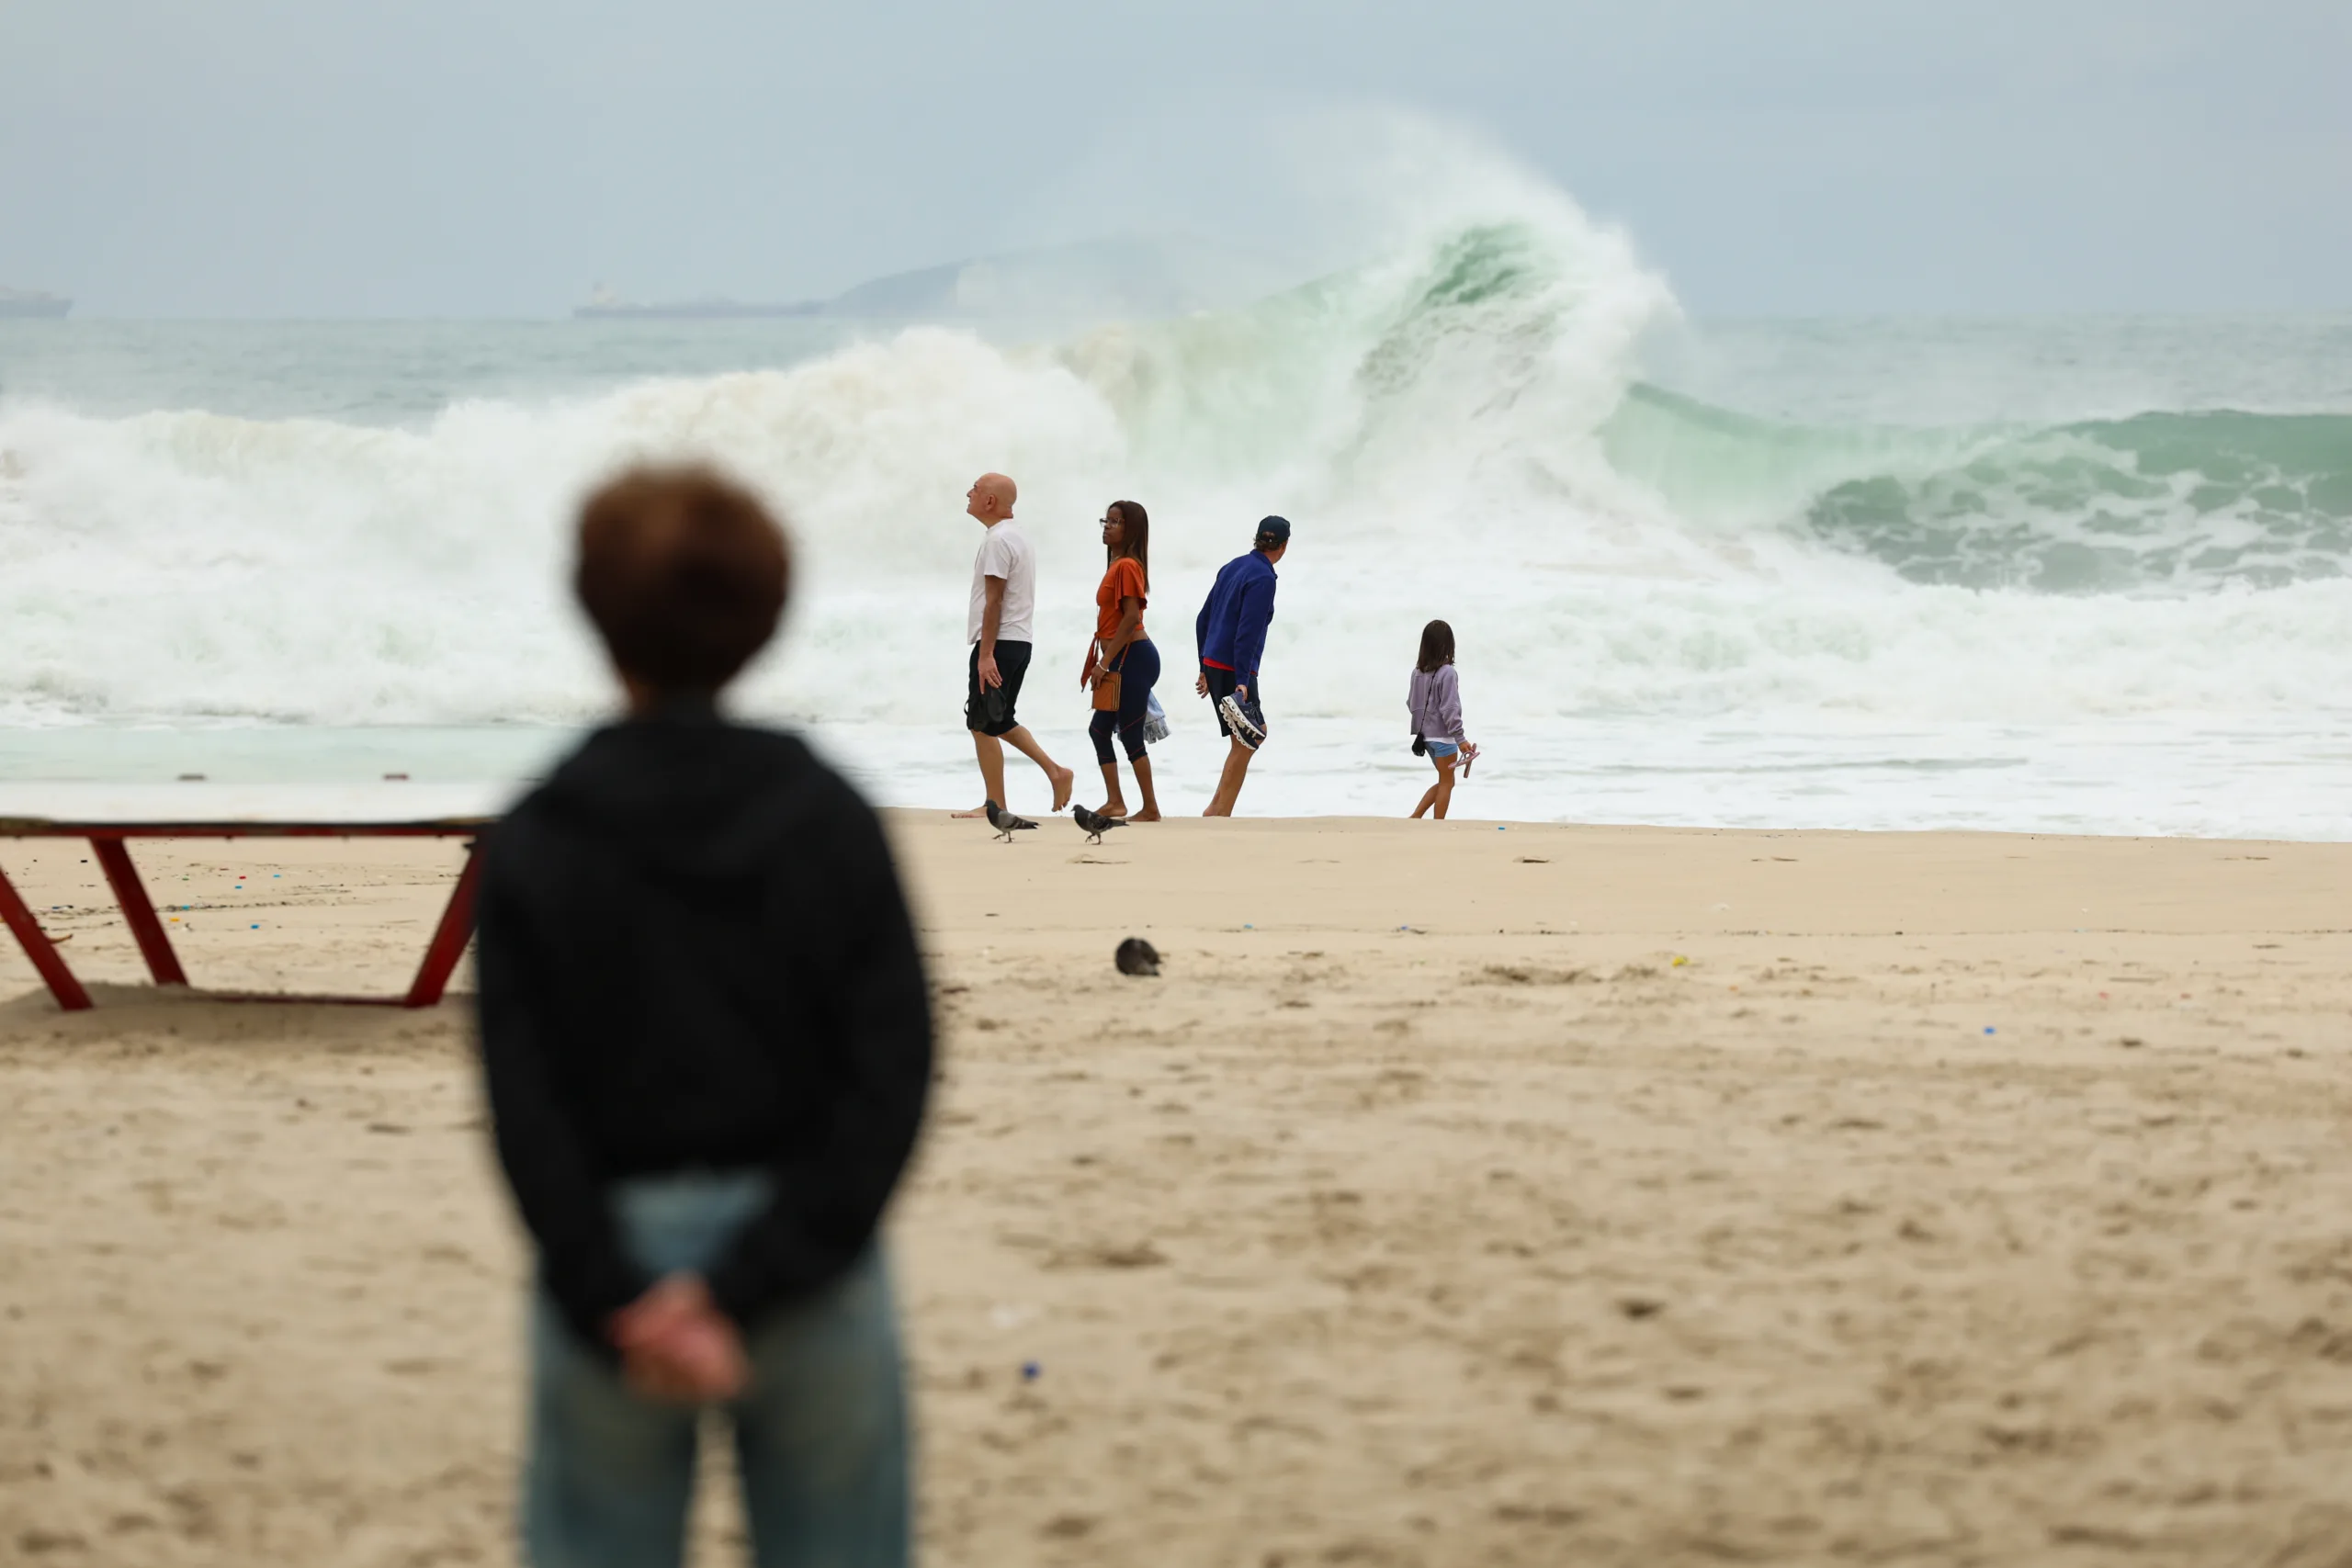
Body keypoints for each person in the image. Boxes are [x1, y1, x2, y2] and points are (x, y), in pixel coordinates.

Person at [476, 466, 932, 1568]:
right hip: (809, 1255)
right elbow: (891, 1069)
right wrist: (748, 1281)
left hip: (611, 1251)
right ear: (764, 619)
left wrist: (617, 1293)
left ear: (594, 615)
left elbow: (522, 1094)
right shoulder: (824, 813)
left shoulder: (544, 827)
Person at [957, 471, 1073, 818]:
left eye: (975, 490)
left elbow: (995, 601)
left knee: (986, 722)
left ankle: (1048, 774)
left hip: (1000, 642)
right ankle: (1001, 800)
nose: (969, 493)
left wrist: (986, 654)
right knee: (988, 721)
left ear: (989, 500)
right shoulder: (1016, 536)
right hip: (1018, 641)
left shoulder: (998, 540)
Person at [1193, 515, 1289, 817]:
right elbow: (1246, 632)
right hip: (1233, 668)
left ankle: (1217, 808)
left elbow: (1202, 618)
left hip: (1214, 662)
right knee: (1249, 738)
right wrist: (1243, 680)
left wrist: (1202, 666)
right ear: (1284, 546)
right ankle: (1219, 811)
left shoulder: (1233, 566)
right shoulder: (1263, 578)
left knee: (1249, 735)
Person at [1080, 499, 1162, 820]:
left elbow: (1130, 619)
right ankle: (1116, 802)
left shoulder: (1127, 566)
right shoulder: (1117, 564)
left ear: (1131, 530)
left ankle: (1151, 808)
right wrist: (1103, 660)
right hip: (1121, 657)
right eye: (1106, 520)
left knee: (1129, 732)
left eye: (1115, 522)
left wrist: (1104, 663)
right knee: (1099, 731)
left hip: (1133, 657)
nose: (1107, 526)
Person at [1407, 617, 1478, 820]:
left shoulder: (1417, 672)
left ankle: (1416, 817)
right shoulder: (1448, 673)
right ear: (1448, 645)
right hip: (1444, 738)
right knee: (1447, 783)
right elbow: (1450, 708)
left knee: (1444, 780)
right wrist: (1461, 739)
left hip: (1425, 737)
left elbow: (1412, 704)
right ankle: (1437, 825)